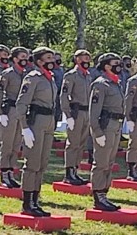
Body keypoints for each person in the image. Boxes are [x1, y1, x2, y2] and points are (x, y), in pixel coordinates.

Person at [16, 46, 57, 217]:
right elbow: (21, 104)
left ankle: (35, 199)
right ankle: (27, 202)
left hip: (49, 120)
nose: (52, 62)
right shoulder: (33, 78)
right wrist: (25, 128)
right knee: (32, 163)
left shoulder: (50, 78)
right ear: (39, 61)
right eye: (48, 58)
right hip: (36, 121)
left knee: (42, 163)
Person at [88, 53, 125, 211]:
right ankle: (98, 195)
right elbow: (93, 112)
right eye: (115, 63)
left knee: (109, 163)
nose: (119, 66)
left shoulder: (116, 83)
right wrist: (97, 132)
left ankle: (105, 192)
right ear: (107, 66)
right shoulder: (100, 84)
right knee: (101, 162)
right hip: (105, 125)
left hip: (116, 124)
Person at [0, 46, 30, 189]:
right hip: (10, 110)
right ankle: (3, 174)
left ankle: (11, 172)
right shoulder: (7, 74)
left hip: (22, 112)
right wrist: (0, 112)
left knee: (16, 145)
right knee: (7, 144)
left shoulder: (27, 74)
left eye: (26, 58)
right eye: (22, 58)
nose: (24, 60)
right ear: (14, 59)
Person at [60, 49, 93, 186]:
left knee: (81, 144)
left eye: (88, 58)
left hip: (87, 112)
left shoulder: (88, 76)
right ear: (77, 59)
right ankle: (69, 173)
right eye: (84, 58)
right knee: (73, 143)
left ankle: (75, 170)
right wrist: (68, 115)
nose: (86, 61)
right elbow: (64, 96)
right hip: (76, 112)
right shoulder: (71, 75)